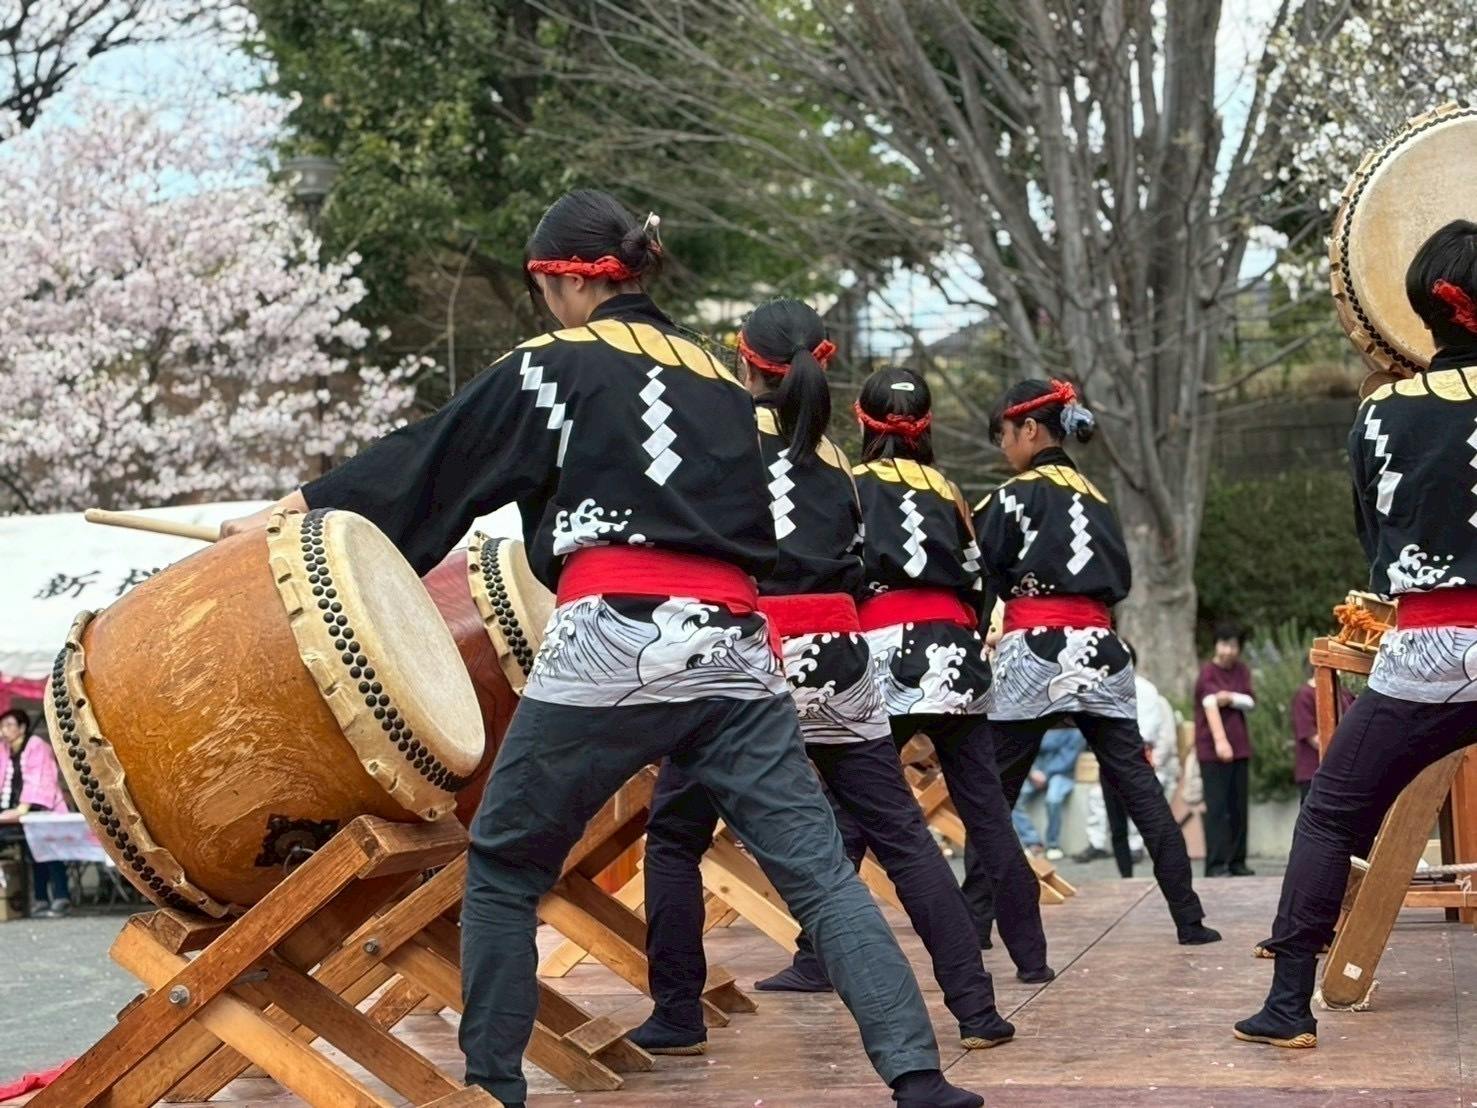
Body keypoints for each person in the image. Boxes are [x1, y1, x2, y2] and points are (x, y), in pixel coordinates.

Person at [221, 191, 981, 1108]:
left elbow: (428, 459)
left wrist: (293, 516)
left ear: (562, 279)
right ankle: (918, 1077)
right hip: (735, 647)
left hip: (608, 639)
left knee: (505, 864)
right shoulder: (721, 381)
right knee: (819, 876)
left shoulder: (554, 367)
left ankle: (494, 1086)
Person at [632, 300, 1014, 1058]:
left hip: (744, 650)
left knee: (675, 835)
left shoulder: (713, 435)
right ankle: (976, 1010)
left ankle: (677, 1014)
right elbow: (861, 562)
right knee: (901, 833)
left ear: (745, 360)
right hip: (838, 650)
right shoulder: (840, 463)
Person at [1235, 220, 1477, 1050]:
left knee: (1330, 815)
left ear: (1421, 310)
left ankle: (1286, 1006)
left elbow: (1374, 542)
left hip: (1427, 652)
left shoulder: (1381, 414)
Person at [975, 378, 1220, 947]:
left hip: (1033, 650)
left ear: (1029, 429)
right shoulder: (1100, 500)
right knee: (1139, 786)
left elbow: (984, 577)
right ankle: (1189, 919)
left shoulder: (1008, 498)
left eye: (1004, 436)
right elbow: (1121, 583)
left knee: (995, 794)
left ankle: (976, 922)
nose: (1003, 448)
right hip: (1101, 648)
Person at [851, 366, 1053, 983]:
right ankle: (1032, 956)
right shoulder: (948, 489)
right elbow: (977, 577)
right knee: (987, 814)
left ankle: (815, 956)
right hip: (957, 656)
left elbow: (843, 567)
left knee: (854, 802)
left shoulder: (851, 483)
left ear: (863, 420)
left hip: (884, 654)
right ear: (926, 424)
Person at [1195, 625, 1256, 877]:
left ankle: (1237, 861)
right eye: (1223, 644)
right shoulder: (1207, 672)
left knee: (1239, 807)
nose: (1228, 650)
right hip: (1212, 752)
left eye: (1233, 645)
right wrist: (1221, 742)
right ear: (1216, 645)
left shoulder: (1242, 671)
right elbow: (1209, 704)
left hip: (1240, 749)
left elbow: (1250, 701)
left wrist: (1230, 697)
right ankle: (1216, 864)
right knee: (1217, 808)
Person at [0, 709, 71, 918]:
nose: (4, 730)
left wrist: (22, 808)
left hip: (41, 808)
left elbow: (39, 778)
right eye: (2, 726)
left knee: (49, 851)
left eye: (9, 725)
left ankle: (61, 897)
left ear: (22, 727)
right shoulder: (4, 749)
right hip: (12, 811)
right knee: (33, 854)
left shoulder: (36, 745)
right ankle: (40, 898)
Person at [1011, 724, 1084, 860]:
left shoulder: (1074, 730)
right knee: (1013, 798)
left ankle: (1053, 845)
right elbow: (1025, 751)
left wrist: (1045, 774)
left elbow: (1067, 759)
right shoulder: (1038, 725)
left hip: (1061, 774)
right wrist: (1032, 772)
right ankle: (1033, 842)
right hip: (1035, 773)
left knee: (1053, 799)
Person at [1289, 673, 1353, 805]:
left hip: (1342, 775)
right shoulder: (1305, 695)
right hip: (1314, 774)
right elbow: (1315, 739)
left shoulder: (1345, 695)